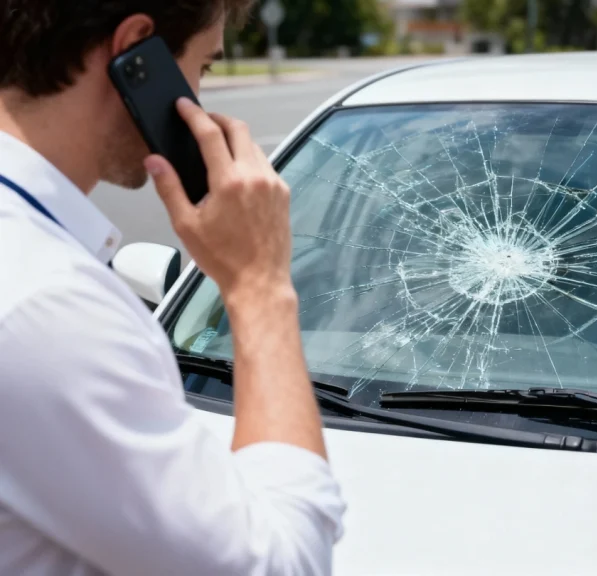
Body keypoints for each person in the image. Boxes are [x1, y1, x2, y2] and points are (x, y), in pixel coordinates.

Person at [0, 1, 345, 574]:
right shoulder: (47, 304)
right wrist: (259, 284)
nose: (201, 101)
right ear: (136, 51)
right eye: (203, 67)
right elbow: (280, 564)